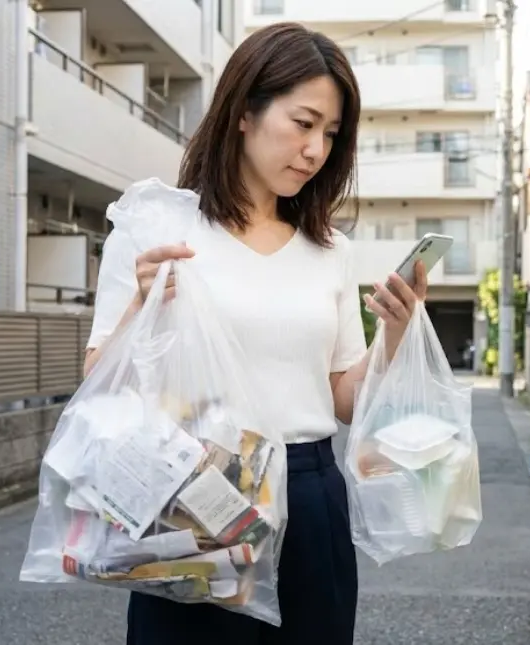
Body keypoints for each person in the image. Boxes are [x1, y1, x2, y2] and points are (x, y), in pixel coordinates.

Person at [81, 21, 427, 645]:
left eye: (331, 134)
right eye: (303, 123)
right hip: (192, 489)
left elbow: (343, 400)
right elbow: (97, 381)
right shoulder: (158, 226)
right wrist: (140, 304)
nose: (316, 150)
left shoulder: (330, 249)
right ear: (244, 112)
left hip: (310, 492)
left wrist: (394, 335)